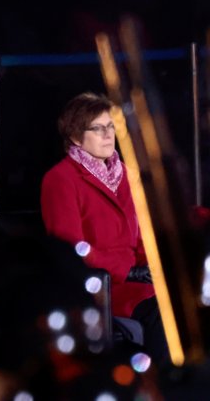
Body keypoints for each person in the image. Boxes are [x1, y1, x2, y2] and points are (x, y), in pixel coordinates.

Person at [40, 92, 167, 365]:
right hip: (103, 289)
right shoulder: (60, 180)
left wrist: (155, 265)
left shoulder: (127, 174)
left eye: (111, 126)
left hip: (141, 284)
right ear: (75, 136)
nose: (108, 134)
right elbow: (70, 251)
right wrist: (128, 271)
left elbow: (144, 234)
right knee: (165, 312)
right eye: (98, 128)